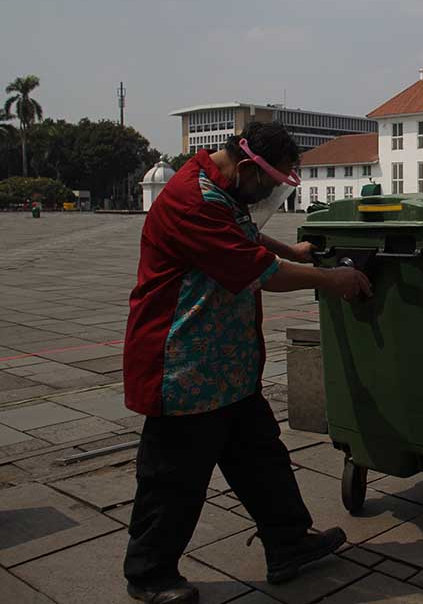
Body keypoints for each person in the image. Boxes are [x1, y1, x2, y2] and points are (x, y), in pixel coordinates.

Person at [121, 122, 372, 603]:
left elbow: (244, 232)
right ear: (244, 166)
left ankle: (288, 542)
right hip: (183, 365)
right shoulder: (193, 199)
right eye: (271, 184)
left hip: (227, 365)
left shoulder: (219, 183)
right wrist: (330, 279)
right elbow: (257, 270)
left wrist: (290, 248)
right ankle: (149, 574)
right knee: (173, 476)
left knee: (262, 458)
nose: (270, 193)